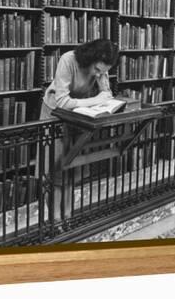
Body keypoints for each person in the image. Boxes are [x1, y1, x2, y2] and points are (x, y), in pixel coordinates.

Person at [36, 39, 118, 221]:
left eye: (104, 71)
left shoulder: (100, 69)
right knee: (56, 171)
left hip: (78, 116)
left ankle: (68, 216)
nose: (99, 74)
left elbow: (107, 94)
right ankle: (55, 220)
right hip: (55, 116)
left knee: (72, 169)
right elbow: (62, 102)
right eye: (97, 70)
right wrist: (97, 99)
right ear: (90, 59)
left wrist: (103, 87)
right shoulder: (68, 60)